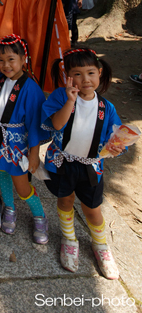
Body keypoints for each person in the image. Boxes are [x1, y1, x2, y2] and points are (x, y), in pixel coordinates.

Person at [42, 47, 126, 279]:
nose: (85, 80)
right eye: (77, 74)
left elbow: (116, 136)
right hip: (62, 163)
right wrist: (70, 101)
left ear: (99, 73)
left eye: (90, 73)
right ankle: (69, 239)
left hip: (90, 167)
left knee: (93, 210)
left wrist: (118, 146)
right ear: (67, 76)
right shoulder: (60, 97)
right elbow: (57, 125)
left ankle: (100, 246)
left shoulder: (107, 108)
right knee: (65, 199)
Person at [0, 35, 48, 243]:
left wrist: (34, 154)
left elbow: (35, 124)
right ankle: (9, 208)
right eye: (1, 60)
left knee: (22, 185)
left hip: (17, 144)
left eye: (11, 59)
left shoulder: (31, 88)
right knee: (2, 174)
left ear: (23, 59)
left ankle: (39, 215)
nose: (6, 65)